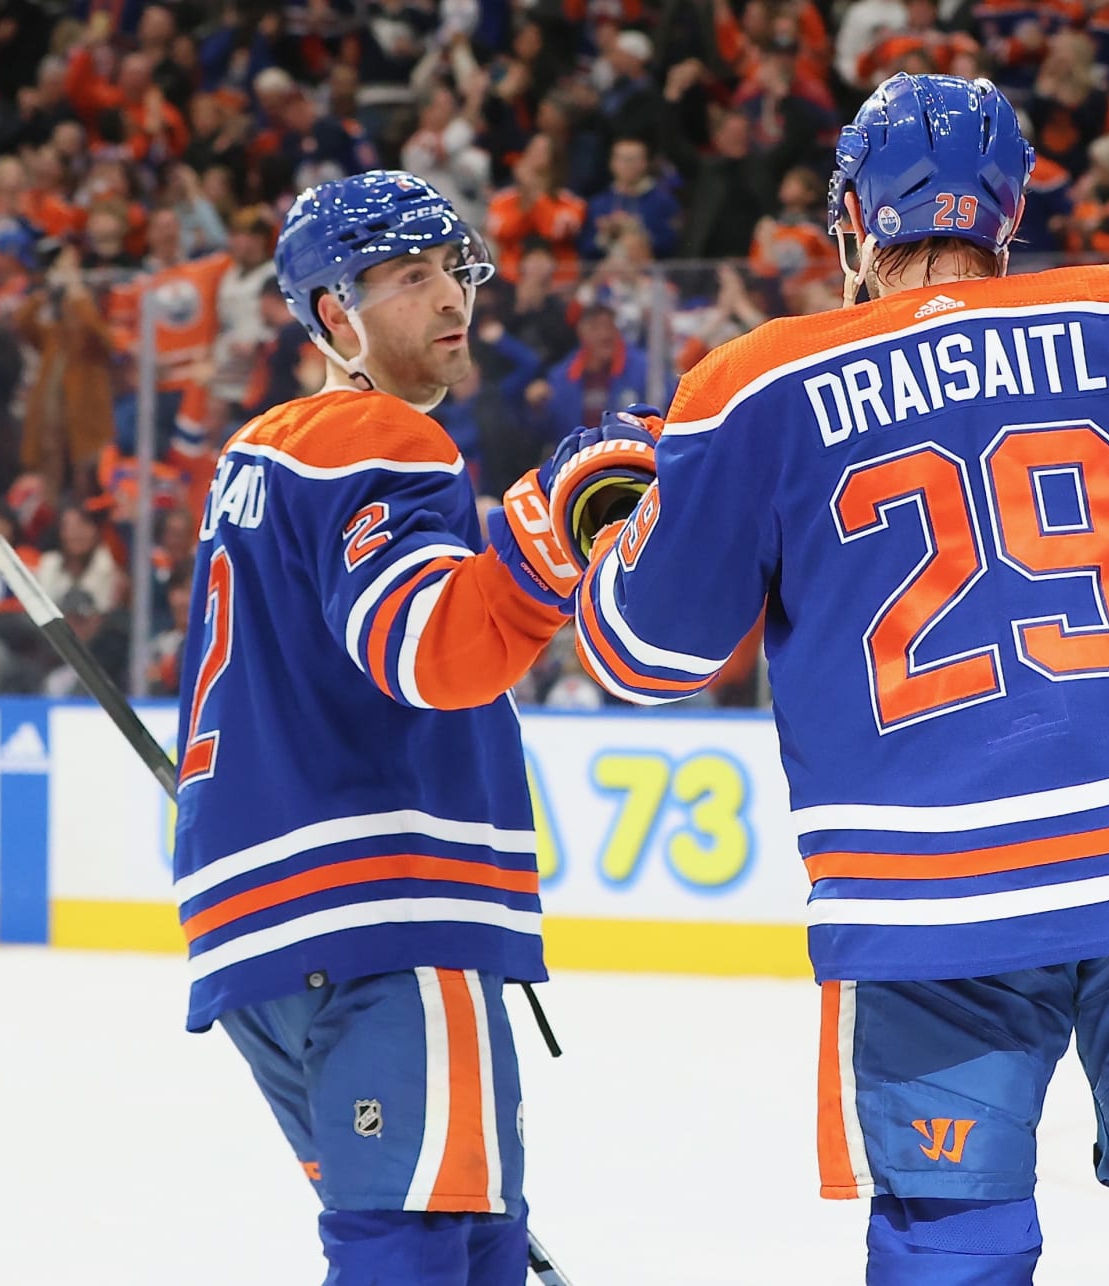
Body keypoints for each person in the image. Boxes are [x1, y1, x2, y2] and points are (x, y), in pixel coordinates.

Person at [570, 75, 1109, 1283]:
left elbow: (646, 652)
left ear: (852, 221)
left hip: (929, 900)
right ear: (1010, 212)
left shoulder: (750, 385)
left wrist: (619, 519)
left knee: (946, 1246)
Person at [172, 170, 643, 1283]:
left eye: (455, 271)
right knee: (425, 1249)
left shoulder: (257, 455)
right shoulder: (384, 439)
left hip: (260, 936)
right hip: (388, 908)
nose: (452, 300)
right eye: (411, 277)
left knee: (463, 1241)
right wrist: (548, 533)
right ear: (335, 315)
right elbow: (430, 649)